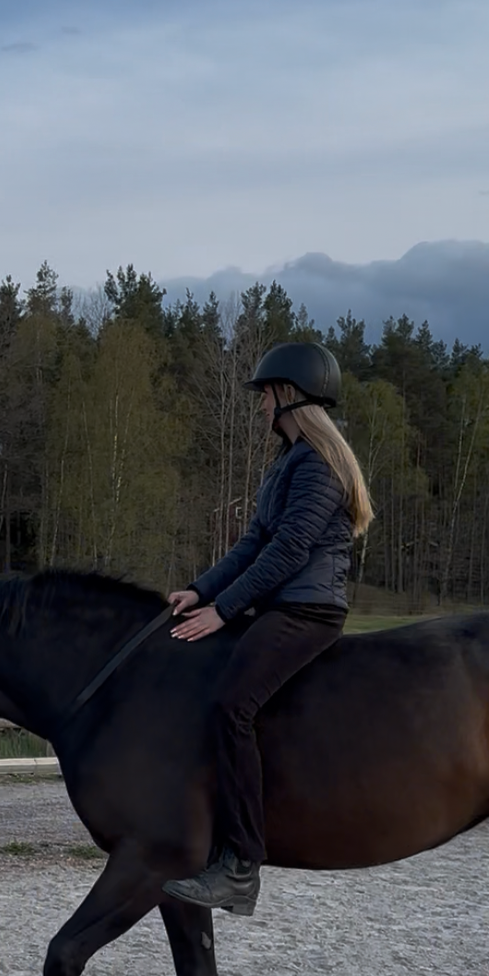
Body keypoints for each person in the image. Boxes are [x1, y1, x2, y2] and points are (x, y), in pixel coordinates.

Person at [162, 342, 373, 916]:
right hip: (278, 604)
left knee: (231, 707)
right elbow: (252, 543)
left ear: (289, 395)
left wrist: (223, 610)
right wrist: (200, 588)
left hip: (308, 609)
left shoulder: (319, 464)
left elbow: (289, 551)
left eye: (264, 397)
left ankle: (241, 866)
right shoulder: (286, 462)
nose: (260, 408)